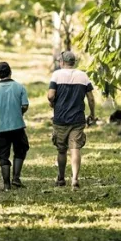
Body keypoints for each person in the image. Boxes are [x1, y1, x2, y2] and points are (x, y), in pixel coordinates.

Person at [47, 51, 96, 190]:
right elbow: (91, 98)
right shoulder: (83, 76)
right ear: (74, 62)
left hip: (60, 119)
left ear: (62, 62)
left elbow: (51, 95)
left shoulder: (57, 75)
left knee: (61, 150)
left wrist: (52, 104)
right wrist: (92, 114)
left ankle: (61, 178)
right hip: (78, 119)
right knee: (75, 149)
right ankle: (74, 179)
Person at [0, 62, 30, 191]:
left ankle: (6, 185)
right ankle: (16, 179)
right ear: (10, 72)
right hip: (17, 125)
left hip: (1, 128)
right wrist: (19, 112)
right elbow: (24, 105)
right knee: (21, 150)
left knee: (2, 154)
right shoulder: (19, 87)